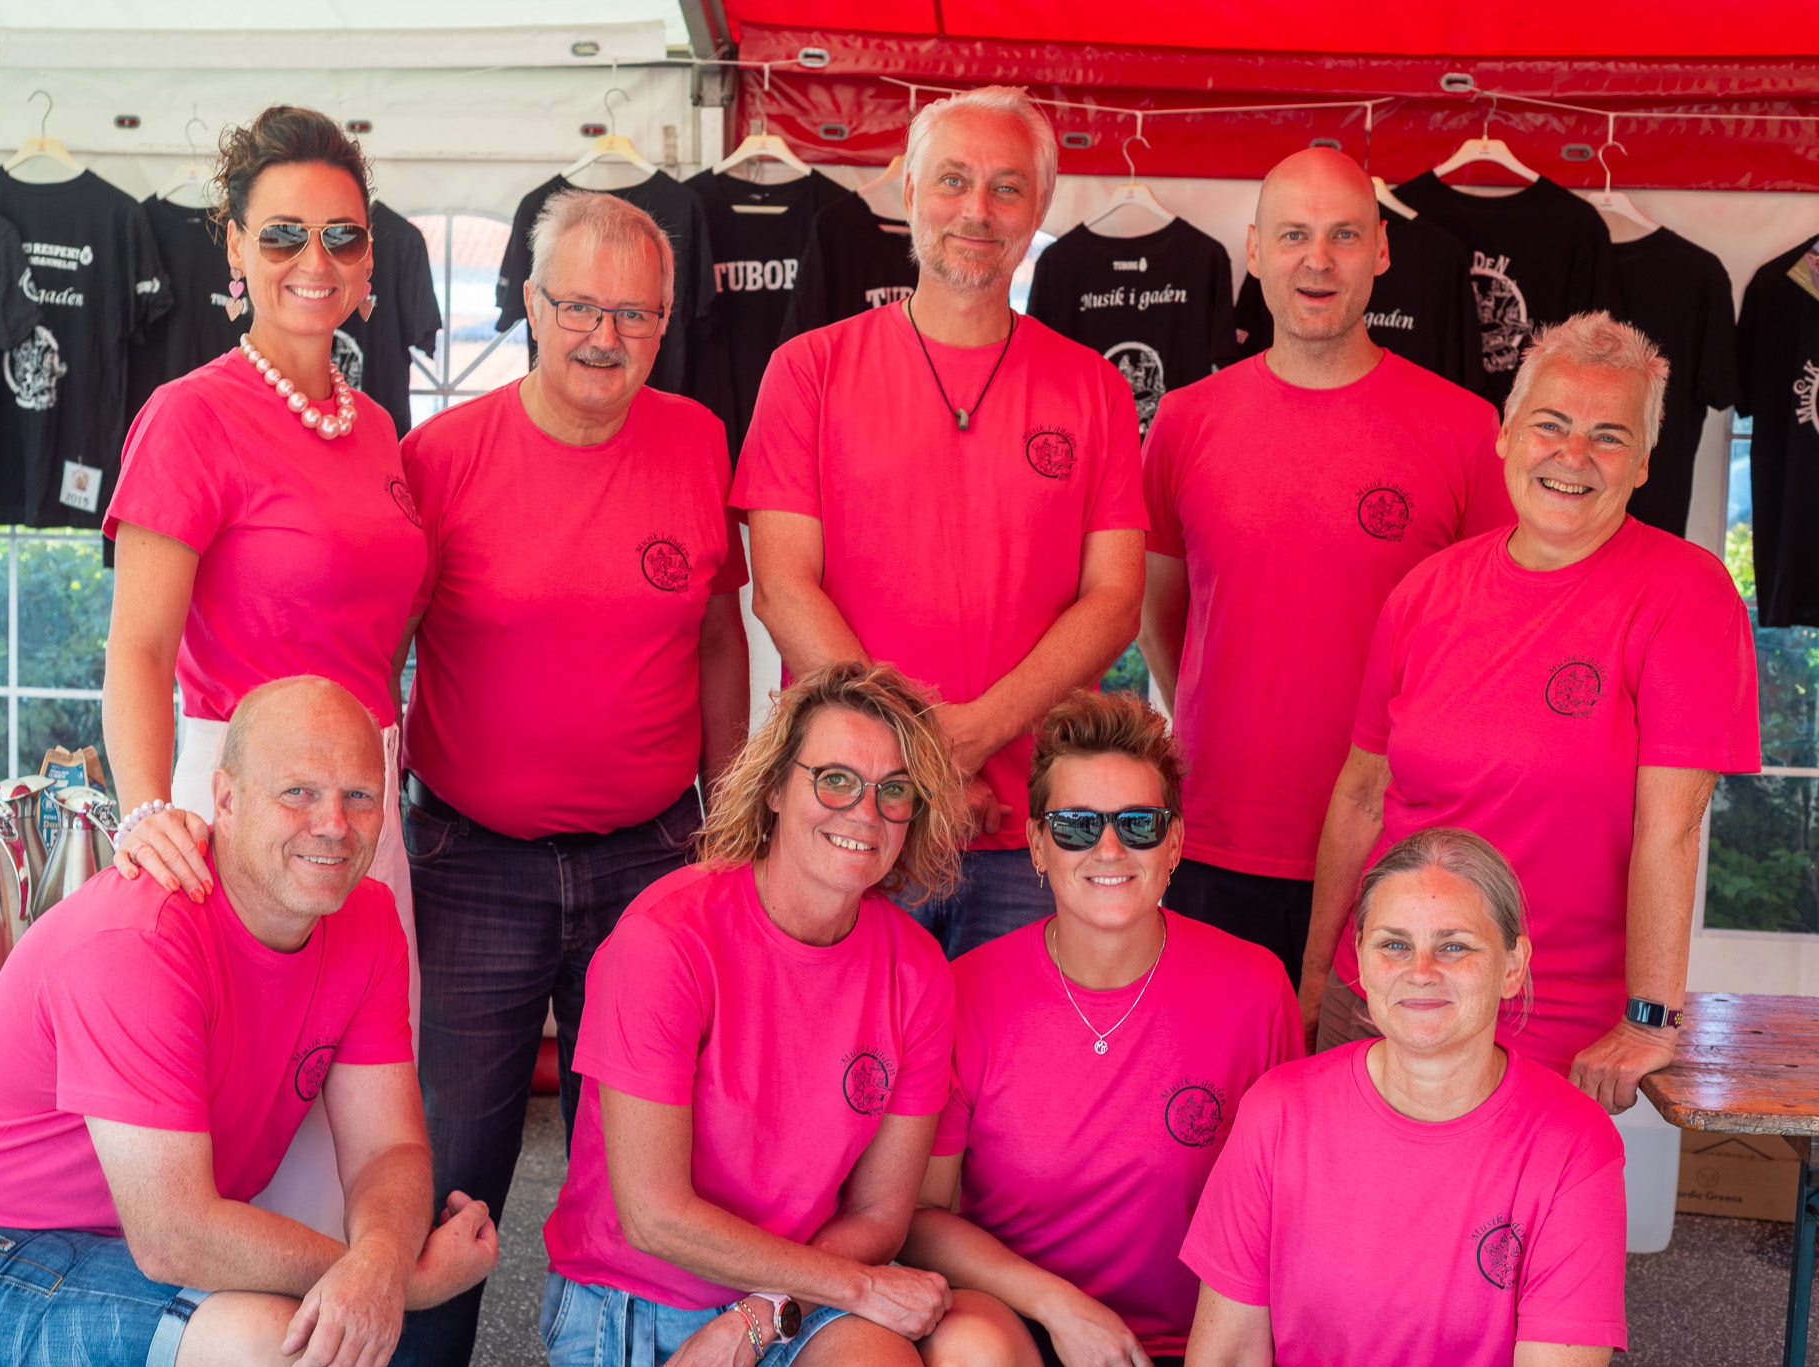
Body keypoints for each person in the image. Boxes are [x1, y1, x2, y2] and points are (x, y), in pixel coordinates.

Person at [0, 677, 497, 1367]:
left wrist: (380, 1264)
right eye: (298, 792)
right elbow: (176, 1235)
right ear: (225, 799)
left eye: (360, 795)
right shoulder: (142, 937)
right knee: (280, 1343)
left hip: (123, 1242)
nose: (334, 823)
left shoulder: (367, 920)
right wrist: (403, 1279)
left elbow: (386, 1149)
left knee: (312, 1328)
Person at [392, 188, 751, 1366]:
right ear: (530, 305)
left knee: (641, 1172)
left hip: (653, 858)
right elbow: (378, 648)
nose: (605, 336)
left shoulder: (698, 441)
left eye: (633, 314)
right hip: (470, 862)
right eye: (580, 307)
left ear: (665, 322)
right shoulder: (440, 457)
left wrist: (728, 818)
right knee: (449, 1171)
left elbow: (716, 635)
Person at [102, 105, 424, 1238]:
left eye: (341, 236)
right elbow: (137, 649)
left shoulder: (375, 428)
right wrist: (146, 809)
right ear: (235, 247)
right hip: (240, 805)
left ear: (370, 258)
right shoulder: (189, 418)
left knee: (359, 1132)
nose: (312, 261)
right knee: (247, 1138)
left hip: (367, 806)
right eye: (282, 234)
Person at [1303, 312, 1761, 1108]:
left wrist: (1651, 1017)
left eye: (1608, 436)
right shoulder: (1425, 591)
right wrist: (1316, 977)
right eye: (1550, 424)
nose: (1572, 455)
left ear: (1644, 463)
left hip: (1547, 1024)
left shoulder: (1684, 594)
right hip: (1380, 997)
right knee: (1344, 1190)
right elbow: (1362, 795)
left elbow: (1671, 827)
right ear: (1507, 434)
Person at [737, 86, 1148, 960]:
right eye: (954, 180)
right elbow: (780, 585)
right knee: (840, 1045)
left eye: (1007, 187)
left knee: (1008, 1051)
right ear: (910, 190)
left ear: (1040, 207)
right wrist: (919, 763)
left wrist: (974, 737)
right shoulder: (808, 371)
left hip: (1029, 827)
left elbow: (1115, 602)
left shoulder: (1095, 389)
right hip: (851, 816)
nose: (977, 210)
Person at [1137, 148, 1512, 989]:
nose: (1318, 259)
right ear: (1255, 250)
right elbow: (1157, 614)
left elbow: (1487, 650)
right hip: (1216, 835)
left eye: (1344, 235)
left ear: (1381, 250)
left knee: (1376, 1074)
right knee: (1221, 1070)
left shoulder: (1464, 429)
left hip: (1399, 849)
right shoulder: (1185, 421)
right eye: (1294, 235)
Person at [538, 662, 969, 1367]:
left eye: (894, 790)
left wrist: (760, 1313)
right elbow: (654, 1217)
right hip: (637, 1302)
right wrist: (854, 1286)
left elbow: (880, 1215)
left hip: (800, 1293)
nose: (865, 813)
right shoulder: (666, 940)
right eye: (835, 779)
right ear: (773, 787)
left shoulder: (917, 972)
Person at [902, 691, 1299, 1367]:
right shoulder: (965, 990)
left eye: (1139, 824)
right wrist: (1060, 1306)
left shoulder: (1255, 988)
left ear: (1175, 842)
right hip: (1023, 1323)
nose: (1109, 848)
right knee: (967, 1346)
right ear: (1037, 845)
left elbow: (1285, 1213)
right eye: (1076, 825)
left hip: (1196, 1340)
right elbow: (920, 1218)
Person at [1182, 828, 1627, 1367]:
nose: (1420, 973)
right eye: (1394, 945)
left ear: (1513, 967)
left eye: (1454, 946)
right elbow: (1227, 1354)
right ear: (1362, 961)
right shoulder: (1276, 1113)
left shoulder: (1575, 1145)